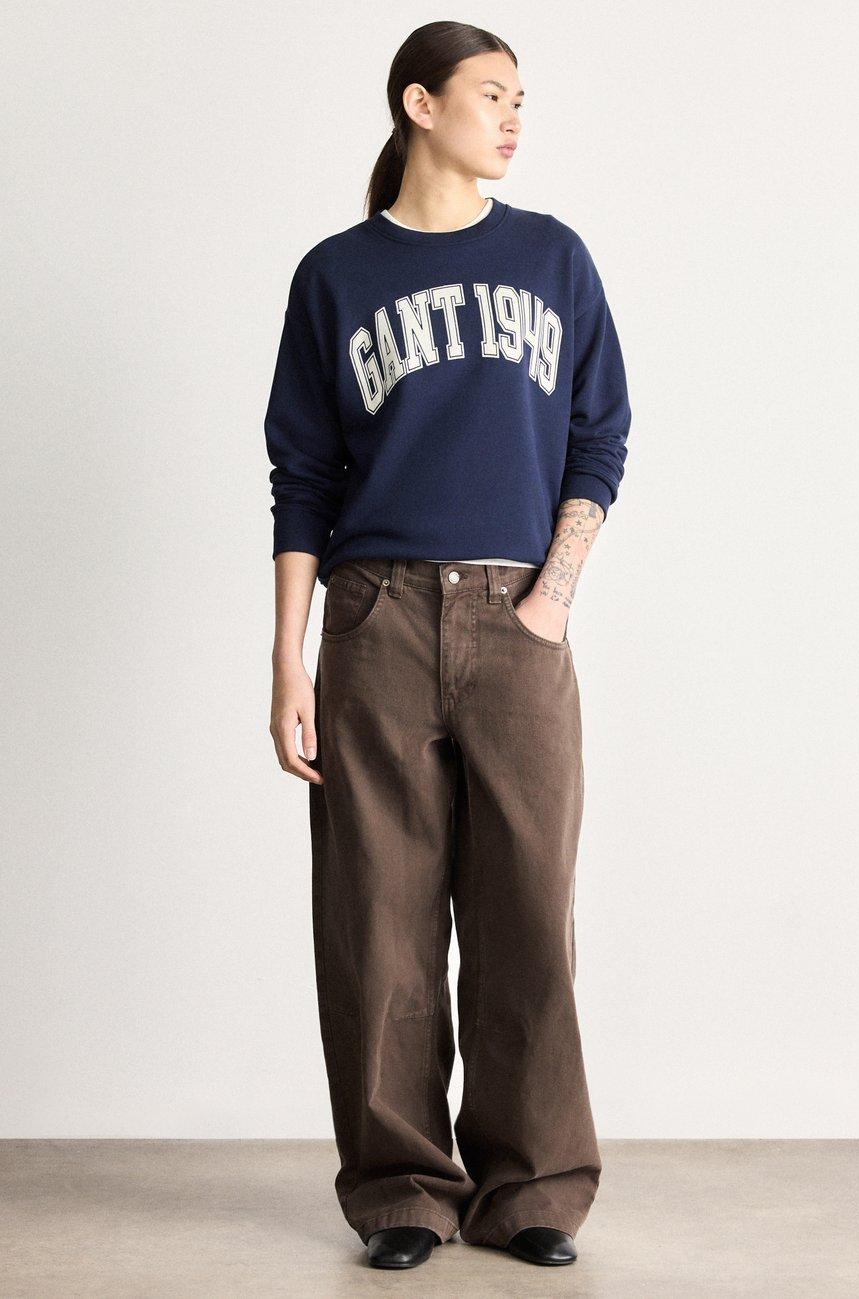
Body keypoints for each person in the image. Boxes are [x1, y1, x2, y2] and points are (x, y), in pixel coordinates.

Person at [264, 20, 631, 1272]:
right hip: (372, 618)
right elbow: (303, 476)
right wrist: (288, 657)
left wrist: (551, 600)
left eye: (522, 98)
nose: (515, 117)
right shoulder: (336, 275)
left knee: (527, 910)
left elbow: (599, 437)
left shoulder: (552, 257)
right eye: (492, 95)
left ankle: (532, 1188)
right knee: (379, 919)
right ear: (420, 105)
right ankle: (403, 1192)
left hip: (516, 615)